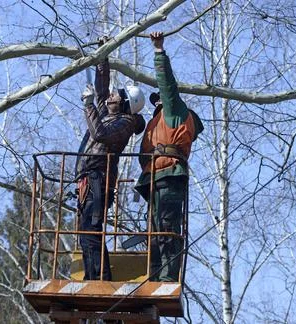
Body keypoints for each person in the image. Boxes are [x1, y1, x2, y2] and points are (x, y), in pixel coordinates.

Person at [135, 32, 204, 282]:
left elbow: (167, 85)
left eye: (158, 101)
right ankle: (154, 276)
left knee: (165, 229)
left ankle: (166, 278)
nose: (156, 104)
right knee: (155, 231)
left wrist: (158, 51)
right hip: (156, 179)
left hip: (169, 176)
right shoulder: (157, 123)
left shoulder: (174, 112)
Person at [76, 37, 146, 281]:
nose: (111, 95)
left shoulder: (124, 123)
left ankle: (98, 278)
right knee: (85, 231)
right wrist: (103, 56)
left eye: (117, 95)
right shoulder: (108, 112)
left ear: (125, 103)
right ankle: (93, 276)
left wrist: (88, 106)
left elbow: (100, 134)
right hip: (89, 177)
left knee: (91, 229)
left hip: (99, 177)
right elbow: (102, 87)